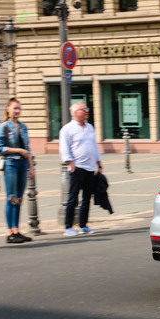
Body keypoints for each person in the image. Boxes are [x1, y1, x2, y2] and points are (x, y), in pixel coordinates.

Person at [0, 98, 35, 244]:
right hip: (11, 164)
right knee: (11, 197)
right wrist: (18, 150)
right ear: (8, 109)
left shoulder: (23, 127)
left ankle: (17, 230)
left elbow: (28, 149)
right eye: (14, 108)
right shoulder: (3, 127)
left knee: (19, 198)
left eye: (19, 108)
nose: (17, 111)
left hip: (23, 164)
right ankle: (10, 232)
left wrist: (31, 167)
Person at [59, 101, 103, 236]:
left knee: (86, 198)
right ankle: (68, 227)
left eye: (87, 109)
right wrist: (70, 164)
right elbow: (64, 148)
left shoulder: (90, 127)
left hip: (90, 167)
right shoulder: (67, 129)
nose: (87, 111)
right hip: (77, 168)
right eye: (84, 109)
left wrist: (99, 163)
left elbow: (94, 146)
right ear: (76, 112)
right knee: (73, 198)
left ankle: (83, 225)